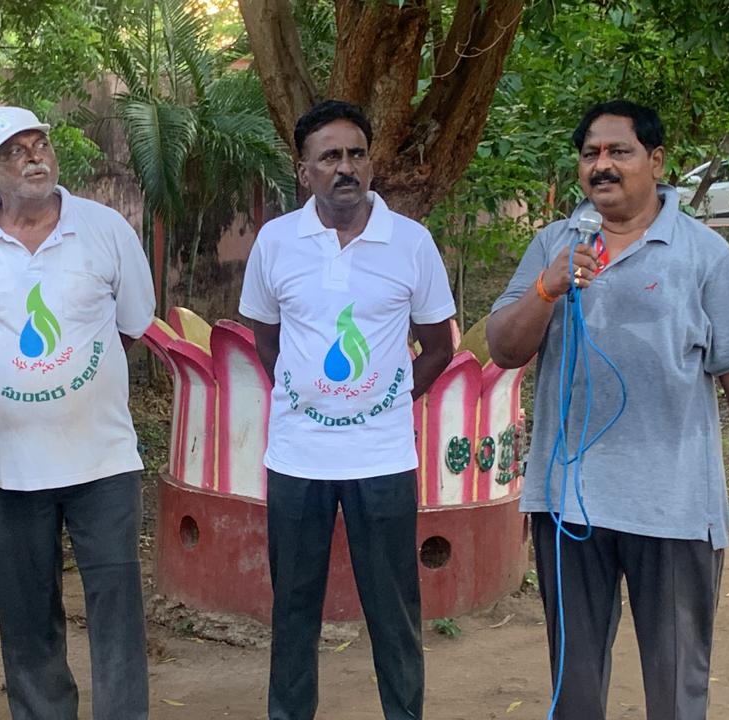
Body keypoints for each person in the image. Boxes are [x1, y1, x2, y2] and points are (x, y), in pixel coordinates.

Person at [485, 99, 729, 720]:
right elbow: (505, 349)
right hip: (569, 505)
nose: (603, 165)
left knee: (675, 688)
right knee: (574, 688)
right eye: (590, 154)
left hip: (672, 505)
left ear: (656, 160)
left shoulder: (704, 254)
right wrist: (547, 287)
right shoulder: (554, 244)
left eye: (619, 151)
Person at [0, 106, 156, 720]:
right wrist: (23, 383)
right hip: (8, 467)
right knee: (26, 617)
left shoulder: (105, 229)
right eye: (14, 151)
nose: (34, 157)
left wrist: (66, 380)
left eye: (40, 144)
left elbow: (132, 325)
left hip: (102, 460)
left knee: (116, 609)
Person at [239, 99, 456, 720]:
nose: (345, 167)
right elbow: (265, 337)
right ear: (303, 170)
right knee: (293, 608)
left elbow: (439, 346)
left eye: (356, 154)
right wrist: (308, 398)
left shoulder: (410, 243)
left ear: (370, 163)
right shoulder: (276, 242)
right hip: (297, 459)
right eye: (329, 156)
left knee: (394, 610)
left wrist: (386, 401)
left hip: (382, 460)